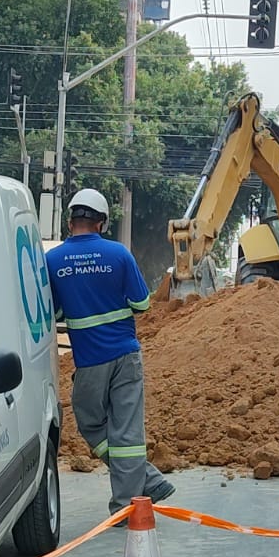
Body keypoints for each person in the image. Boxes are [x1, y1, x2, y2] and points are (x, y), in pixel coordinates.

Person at [46, 188, 175, 517]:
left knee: (91, 424)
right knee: (128, 433)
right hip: (126, 355)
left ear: (70, 221)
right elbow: (142, 304)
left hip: (89, 360)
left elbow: (54, 313)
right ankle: (141, 487)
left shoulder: (53, 261)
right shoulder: (118, 254)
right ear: (101, 223)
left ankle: (129, 503)